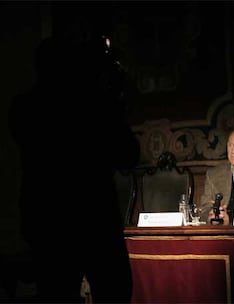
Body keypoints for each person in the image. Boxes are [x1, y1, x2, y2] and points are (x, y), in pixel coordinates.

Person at [8, 36, 140, 303]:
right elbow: (128, 155)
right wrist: (112, 101)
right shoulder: (94, 105)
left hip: (45, 220)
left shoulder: (23, 107)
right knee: (114, 290)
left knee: (56, 292)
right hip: (94, 218)